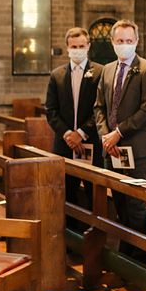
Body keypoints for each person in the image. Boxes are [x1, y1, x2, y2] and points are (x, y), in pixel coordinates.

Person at [93, 20, 146, 259]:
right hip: (110, 148)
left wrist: (118, 133)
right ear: (112, 42)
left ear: (137, 42)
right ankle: (126, 252)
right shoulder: (107, 69)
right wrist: (105, 137)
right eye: (120, 41)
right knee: (119, 202)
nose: (124, 45)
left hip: (134, 147)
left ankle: (140, 258)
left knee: (136, 204)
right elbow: (99, 107)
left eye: (129, 41)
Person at [44, 27, 103, 216]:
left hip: (91, 142)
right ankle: (69, 235)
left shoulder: (100, 72)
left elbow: (101, 109)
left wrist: (82, 133)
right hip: (64, 143)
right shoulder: (57, 75)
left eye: (81, 46)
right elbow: (51, 110)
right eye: (73, 46)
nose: (77, 49)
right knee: (65, 193)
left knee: (93, 193)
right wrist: (68, 134)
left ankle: (93, 236)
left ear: (88, 46)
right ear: (68, 48)